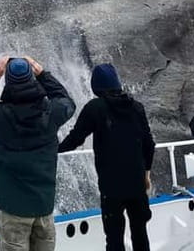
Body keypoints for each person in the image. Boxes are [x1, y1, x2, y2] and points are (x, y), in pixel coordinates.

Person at [0, 56, 75, 251]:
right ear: (32, 79)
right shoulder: (51, 112)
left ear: (7, 82)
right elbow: (67, 102)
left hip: (13, 209)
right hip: (43, 206)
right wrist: (43, 74)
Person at [58, 63, 155, 251]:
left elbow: (76, 138)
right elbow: (149, 144)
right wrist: (146, 174)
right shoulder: (136, 107)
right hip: (136, 181)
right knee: (140, 233)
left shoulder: (95, 108)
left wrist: (54, 148)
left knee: (114, 238)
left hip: (111, 186)